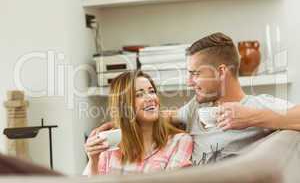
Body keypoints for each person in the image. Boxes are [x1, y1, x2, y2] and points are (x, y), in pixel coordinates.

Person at [91, 32, 300, 166]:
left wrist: (251, 118)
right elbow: (165, 116)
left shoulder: (257, 105)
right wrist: (116, 123)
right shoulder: (196, 108)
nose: (189, 82)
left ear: (221, 72)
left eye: (195, 73)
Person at [84, 71, 193, 176]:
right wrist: (93, 160)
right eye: (139, 94)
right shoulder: (110, 147)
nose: (150, 98)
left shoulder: (179, 142)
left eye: (151, 91)